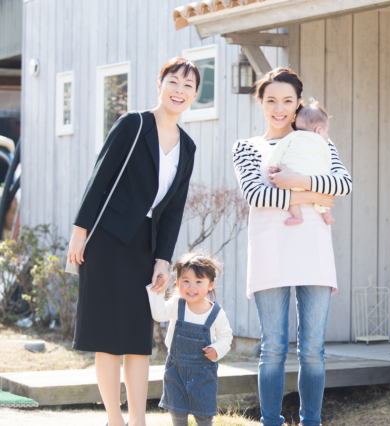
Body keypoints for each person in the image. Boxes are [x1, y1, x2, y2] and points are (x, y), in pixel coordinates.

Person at [66, 57, 199, 426]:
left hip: (145, 244)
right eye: (174, 81)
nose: (179, 90)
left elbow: (172, 210)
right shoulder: (134, 124)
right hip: (107, 240)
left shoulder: (187, 147)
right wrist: (80, 233)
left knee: (138, 337)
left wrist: (162, 259)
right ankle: (115, 418)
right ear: (160, 84)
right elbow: (101, 175)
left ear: (195, 95)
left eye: (188, 86)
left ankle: (137, 420)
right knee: (108, 335)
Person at [232, 67, 353, 426]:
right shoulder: (248, 147)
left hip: (313, 252)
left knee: (313, 349)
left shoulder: (320, 140)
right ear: (261, 103)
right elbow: (255, 194)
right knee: (273, 348)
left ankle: (310, 421)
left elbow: (343, 185)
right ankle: (271, 421)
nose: (279, 108)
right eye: (271, 100)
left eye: (287, 101)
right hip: (270, 252)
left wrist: (296, 182)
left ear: (299, 103)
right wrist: (316, 193)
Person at [146, 253, 233, 426]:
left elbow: (226, 336)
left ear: (211, 285)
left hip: (203, 372)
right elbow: (159, 314)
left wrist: (217, 348)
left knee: (204, 414)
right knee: (177, 411)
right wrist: (157, 291)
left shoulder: (215, 313)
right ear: (177, 283)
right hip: (176, 368)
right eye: (186, 281)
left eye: (199, 281)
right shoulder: (177, 304)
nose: (191, 287)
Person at [267, 99, 335, 226]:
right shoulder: (324, 144)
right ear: (319, 130)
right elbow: (328, 162)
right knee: (325, 192)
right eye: (327, 131)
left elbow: (278, 149)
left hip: (292, 173)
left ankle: (297, 216)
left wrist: (273, 165)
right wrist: (328, 175)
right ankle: (327, 215)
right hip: (316, 178)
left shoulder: (294, 136)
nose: (327, 136)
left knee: (290, 195)